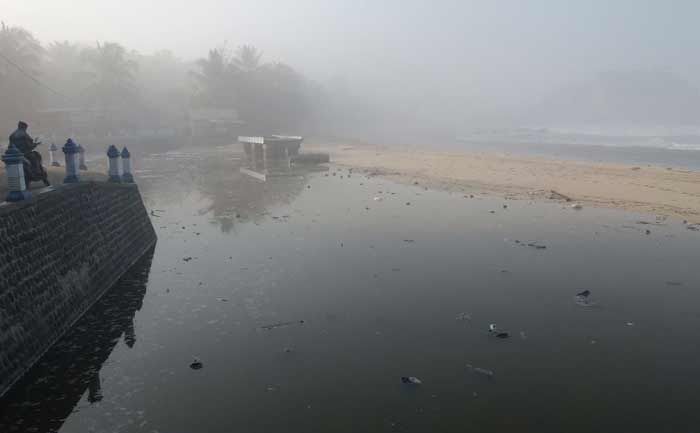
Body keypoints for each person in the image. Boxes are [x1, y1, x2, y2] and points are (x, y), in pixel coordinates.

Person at [8, 121, 49, 186]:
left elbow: (10, 146)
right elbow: (29, 146)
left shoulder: (12, 135)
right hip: (26, 154)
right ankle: (37, 173)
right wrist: (36, 144)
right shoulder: (24, 134)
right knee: (36, 157)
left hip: (14, 155)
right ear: (24, 127)